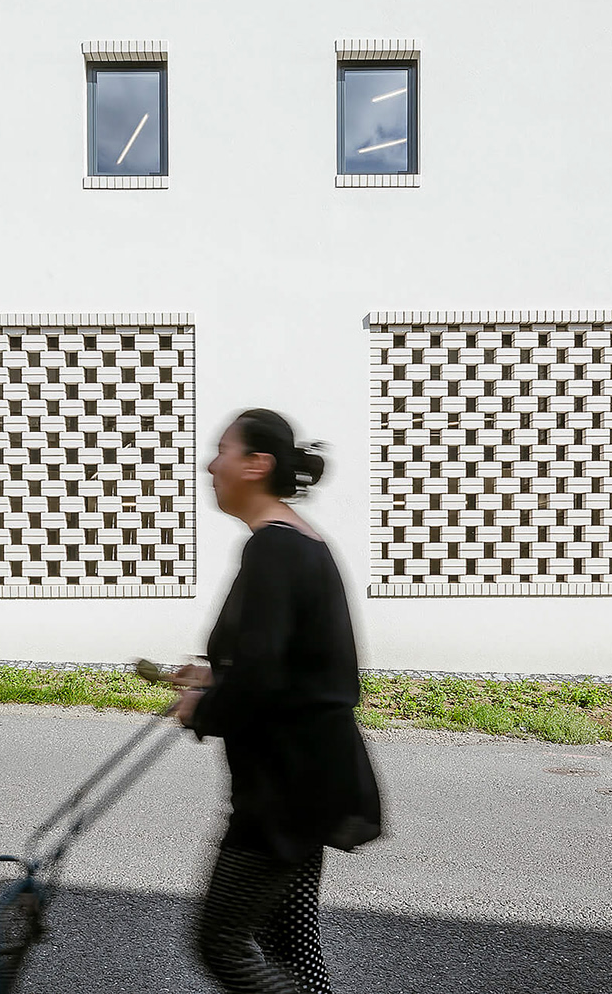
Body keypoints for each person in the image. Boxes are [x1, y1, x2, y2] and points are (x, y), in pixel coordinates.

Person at [171, 408, 382, 994]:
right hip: (307, 778)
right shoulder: (298, 543)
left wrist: (203, 708)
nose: (211, 466)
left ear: (257, 464)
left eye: (223, 451)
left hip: (284, 789)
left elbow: (263, 678)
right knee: (288, 946)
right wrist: (213, 677)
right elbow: (291, 666)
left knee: (221, 942)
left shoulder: (274, 548)